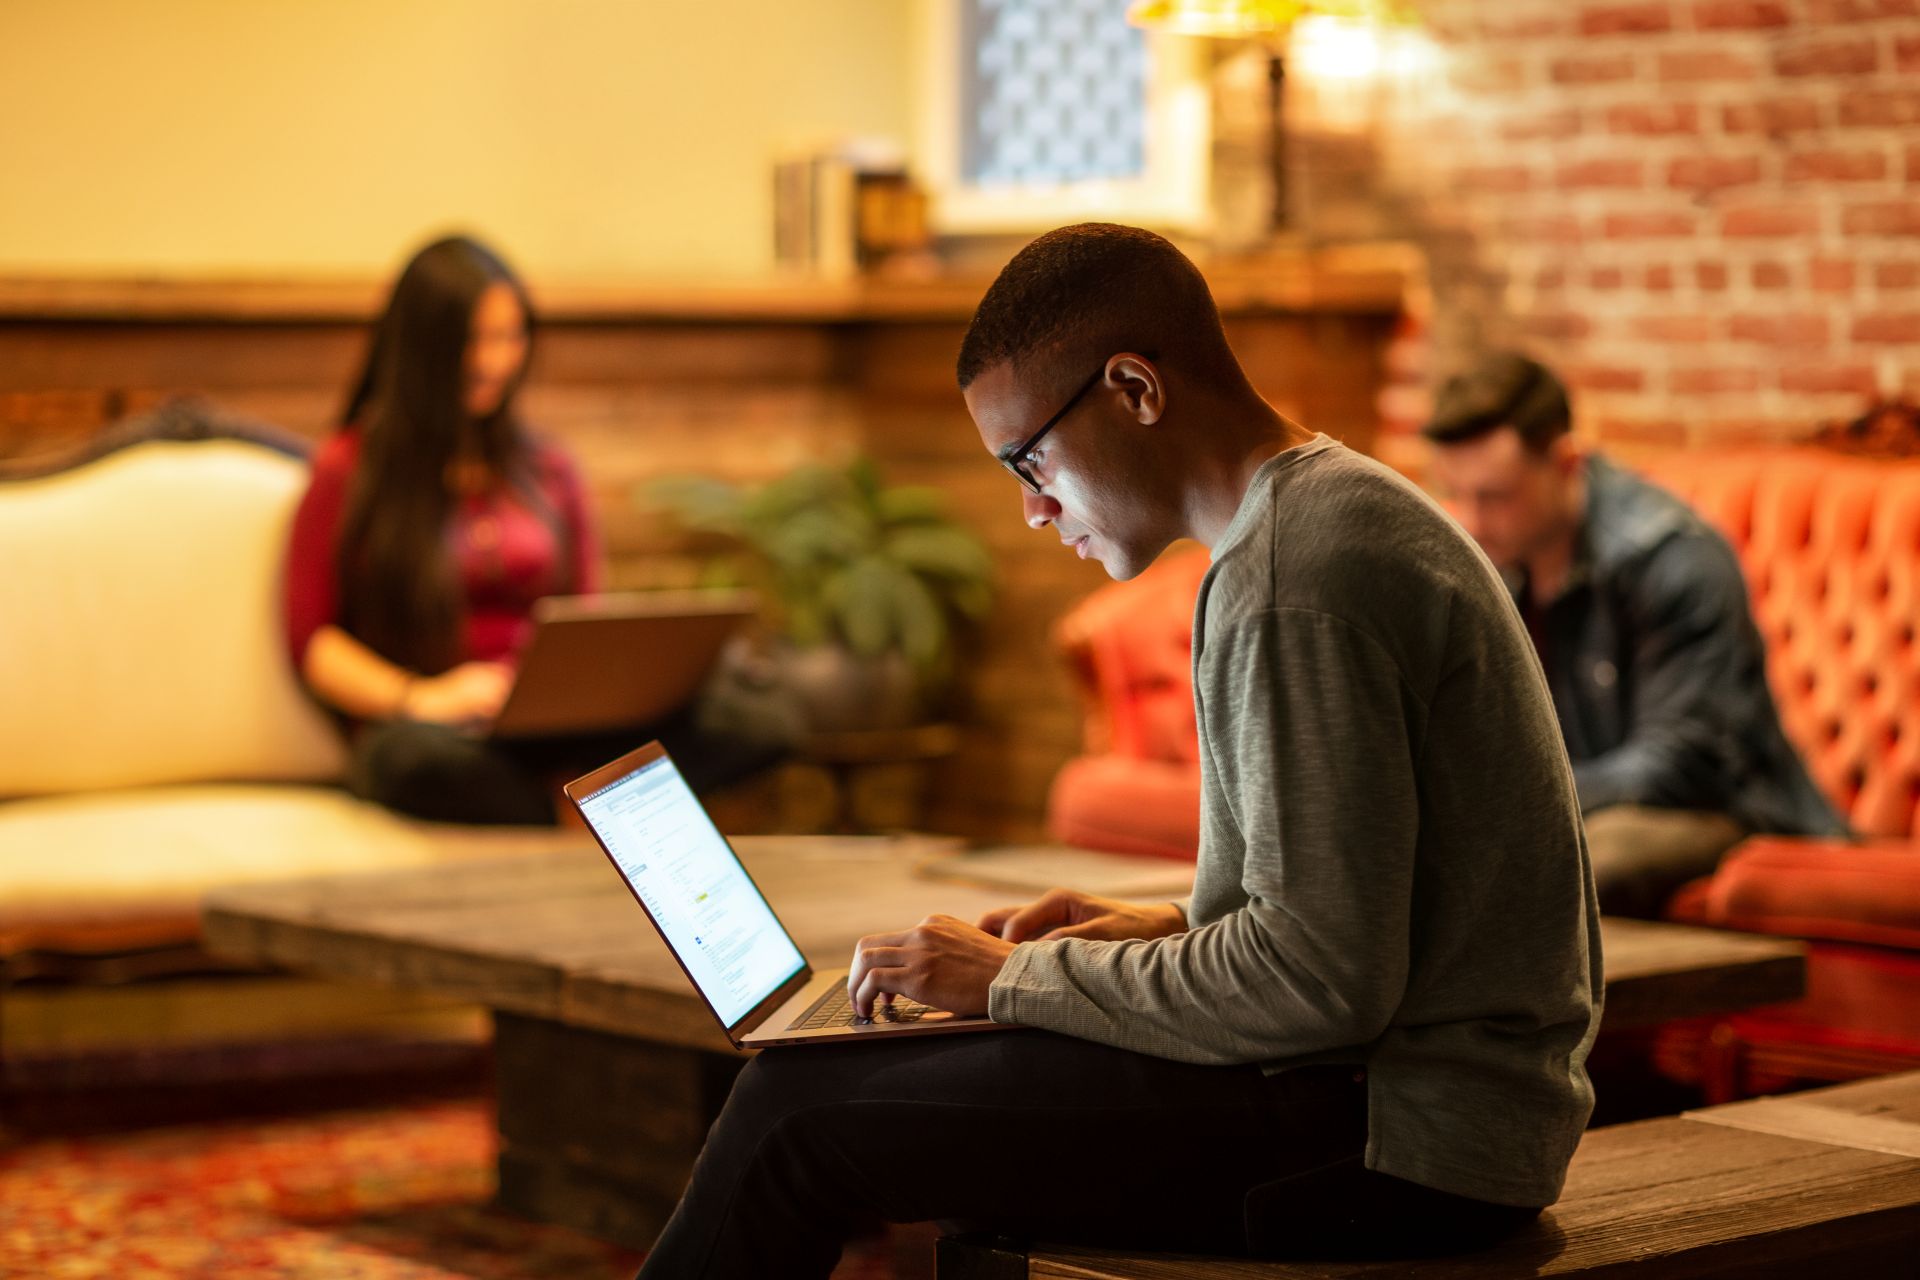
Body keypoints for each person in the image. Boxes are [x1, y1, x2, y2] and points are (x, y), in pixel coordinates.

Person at [633, 224, 1600, 1278]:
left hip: (1397, 1145)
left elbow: (1321, 983)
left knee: (795, 1110)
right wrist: (1146, 930)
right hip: (1409, 1108)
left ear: (1135, 388)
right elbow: (1353, 918)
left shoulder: (1291, 577)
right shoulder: (1326, 516)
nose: (1033, 507)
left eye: (1030, 458)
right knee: (886, 1080)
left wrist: (1015, 975)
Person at [285, 235, 773, 824]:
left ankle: (572, 796)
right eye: (470, 339)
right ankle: (584, 806)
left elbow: (586, 616)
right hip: (437, 731)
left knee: (759, 716)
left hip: (555, 726)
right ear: (421, 346)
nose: (491, 361)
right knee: (407, 760)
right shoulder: (349, 469)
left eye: (508, 337)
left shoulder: (548, 469)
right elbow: (312, 641)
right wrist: (423, 697)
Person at [1423, 352, 1847, 918]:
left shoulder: (1673, 559)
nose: (1471, 520)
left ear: (1566, 462)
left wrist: (1508, 801)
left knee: (1585, 858)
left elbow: (1677, 764)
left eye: (1495, 496)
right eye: (1459, 493)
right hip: (1595, 804)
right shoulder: (1499, 561)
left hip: (1724, 813)